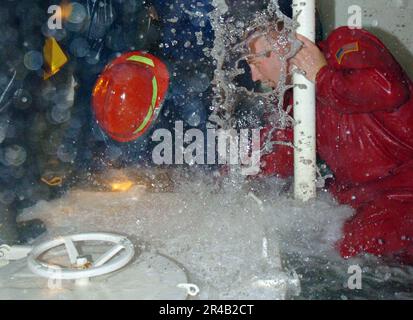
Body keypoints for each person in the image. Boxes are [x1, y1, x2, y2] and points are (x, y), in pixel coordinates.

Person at [244, 20, 413, 264]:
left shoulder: (344, 45)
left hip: (404, 194)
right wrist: (231, 185)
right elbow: (273, 157)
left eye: (255, 62)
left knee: (354, 250)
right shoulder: (294, 99)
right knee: (303, 238)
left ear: (283, 48)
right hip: (358, 197)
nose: (254, 75)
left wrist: (320, 75)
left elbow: (387, 89)